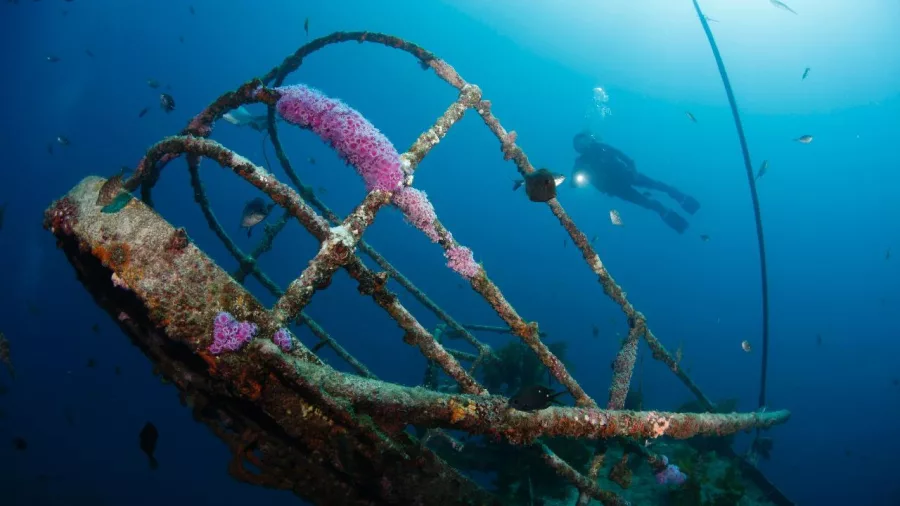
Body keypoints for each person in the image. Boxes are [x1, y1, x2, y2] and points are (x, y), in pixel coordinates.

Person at [569, 132, 700, 233]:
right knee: (647, 202)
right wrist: (576, 179)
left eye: (583, 141)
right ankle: (672, 217)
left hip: (627, 175)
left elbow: (621, 155)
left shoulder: (601, 147)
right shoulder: (580, 162)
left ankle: (679, 196)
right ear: (578, 149)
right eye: (579, 144)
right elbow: (574, 182)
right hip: (617, 189)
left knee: (657, 186)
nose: (583, 145)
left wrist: (633, 170)